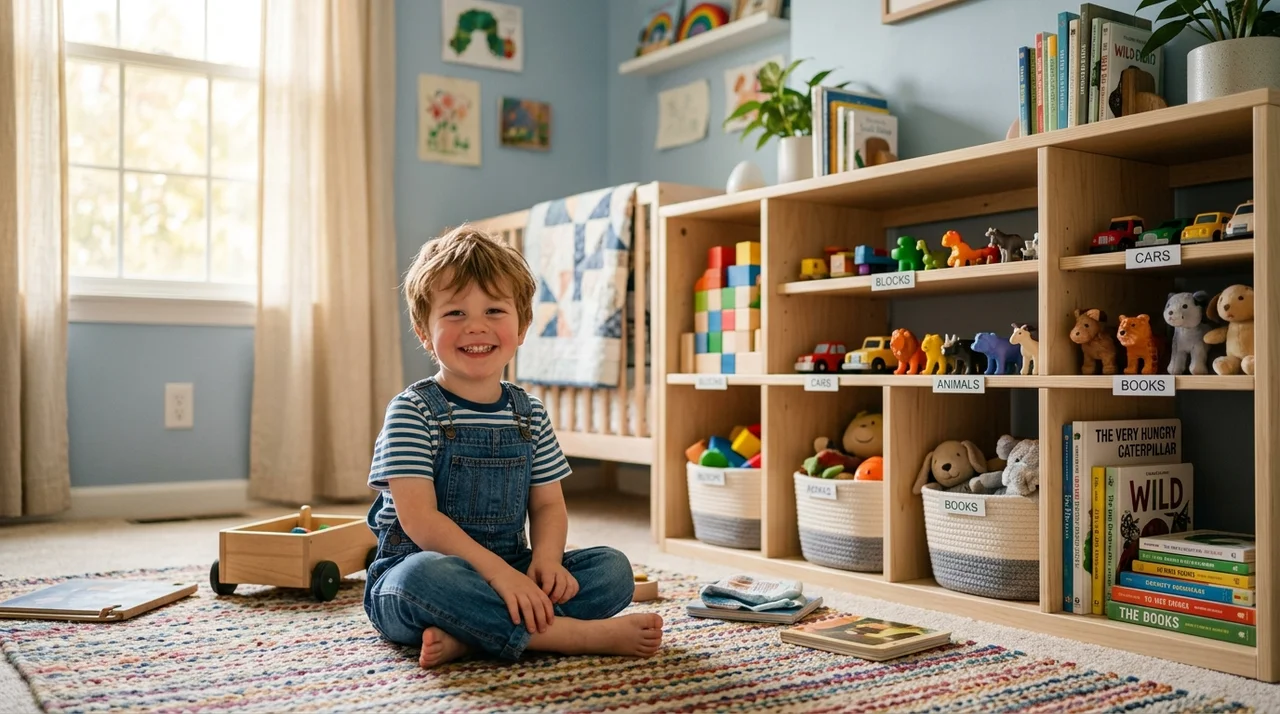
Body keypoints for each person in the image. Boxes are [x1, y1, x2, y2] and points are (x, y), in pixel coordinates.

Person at [362, 225, 663, 668]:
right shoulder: (412, 411)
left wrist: (545, 561)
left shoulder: (530, 413)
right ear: (424, 332)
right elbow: (421, 521)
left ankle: (473, 635)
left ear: (522, 327)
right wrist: (500, 576)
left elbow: (547, 506)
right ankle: (567, 636)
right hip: (423, 570)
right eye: (455, 314)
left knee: (612, 570)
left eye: (494, 310)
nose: (476, 327)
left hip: (514, 568)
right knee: (423, 578)